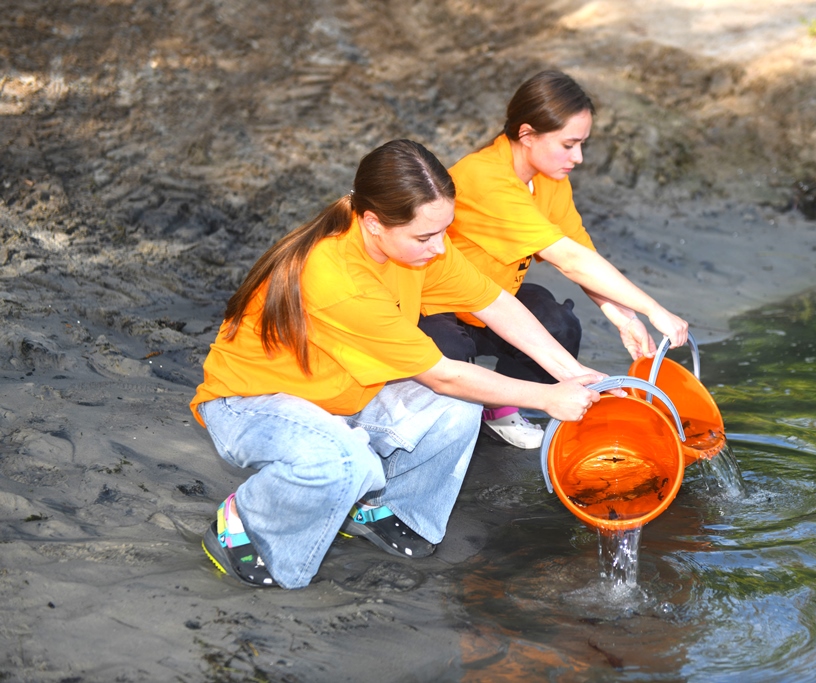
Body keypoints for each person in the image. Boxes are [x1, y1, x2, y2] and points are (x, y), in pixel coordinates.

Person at [190, 140, 603, 589]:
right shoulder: (337, 274)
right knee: (346, 464)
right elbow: (442, 374)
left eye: (445, 230)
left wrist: (574, 375)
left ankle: (383, 508)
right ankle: (246, 522)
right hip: (253, 404)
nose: (441, 247)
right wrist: (548, 397)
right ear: (373, 222)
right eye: (426, 236)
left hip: (342, 393)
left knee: (458, 410)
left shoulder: (414, 248)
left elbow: (494, 303)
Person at [419, 70, 689, 449]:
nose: (577, 158)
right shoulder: (485, 179)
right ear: (527, 135)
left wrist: (622, 317)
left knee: (558, 322)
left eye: (582, 145)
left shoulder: (550, 179)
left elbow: (580, 249)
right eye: (569, 144)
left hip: (493, 304)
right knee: (451, 359)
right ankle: (451, 429)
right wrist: (652, 308)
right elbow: (568, 259)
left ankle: (501, 409)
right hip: (433, 311)